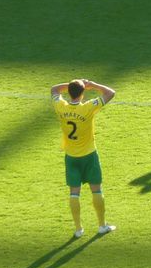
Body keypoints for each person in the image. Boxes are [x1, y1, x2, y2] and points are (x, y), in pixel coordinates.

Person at [50, 78, 117, 238]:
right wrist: (92, 85)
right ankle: (102, 226)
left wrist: (73, 86)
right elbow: (111, 93)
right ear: (82, 94)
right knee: (96, 189)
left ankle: (78, 229)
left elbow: (54, 89)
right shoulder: (87, 108)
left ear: (70, 92)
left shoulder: (61, 107)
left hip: (71, 157)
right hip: (89, 155)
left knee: (74, 192)